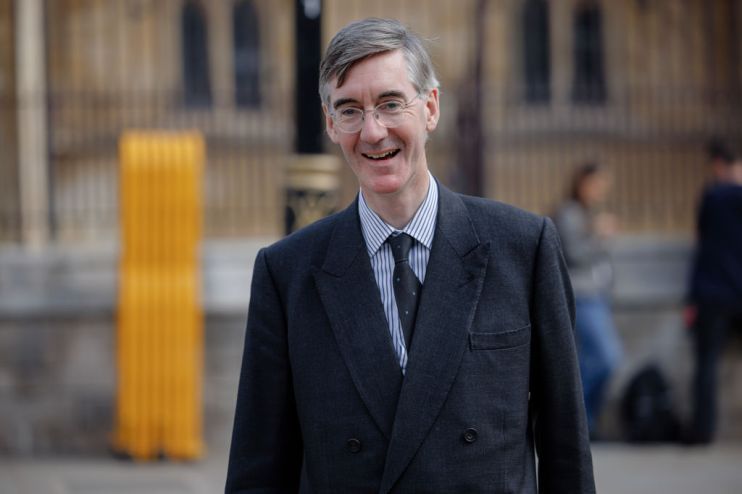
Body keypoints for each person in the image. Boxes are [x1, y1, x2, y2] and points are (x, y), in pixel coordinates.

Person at [226, 18, 595, 493]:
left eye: (390, 103)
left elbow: (566, 450)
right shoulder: (287, 273)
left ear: (431, 108)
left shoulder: (524, 247)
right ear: (331, 124)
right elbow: (257, 470)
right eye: (350, 110)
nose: (373, 131)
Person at [553, 163, 622, 437]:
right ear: (582, 182)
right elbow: (574, 254)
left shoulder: (589, 213)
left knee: (588, 361)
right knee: (607, 358)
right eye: (597, 184)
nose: (600, 191)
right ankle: (578, 419)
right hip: (582, 296)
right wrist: (598, 234)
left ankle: (580, 423)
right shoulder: (569, 213)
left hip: (598, 296)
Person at [684, 140, 742, 444]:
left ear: (718, 164)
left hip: (713, 292)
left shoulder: (713, 196)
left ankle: (703, 431)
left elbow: (700, 240)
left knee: (706, 365)